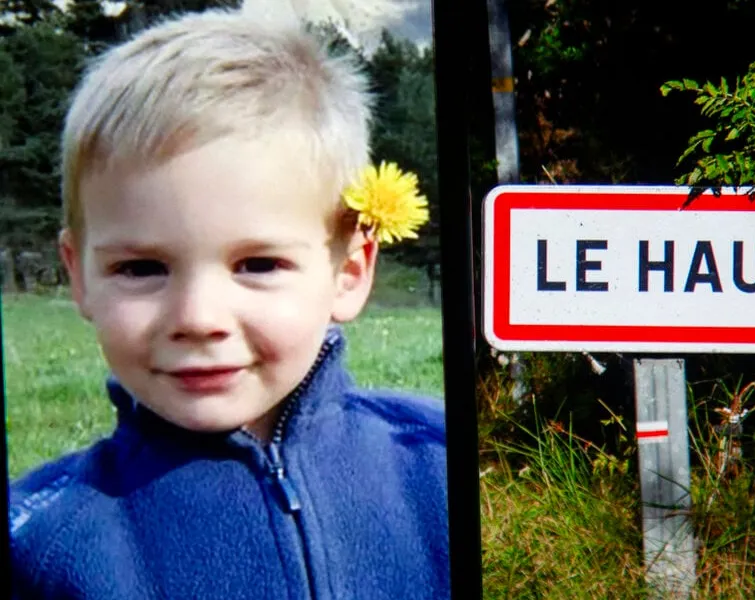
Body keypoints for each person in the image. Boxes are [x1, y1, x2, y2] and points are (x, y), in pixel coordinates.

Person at [7, 6, 448, 599]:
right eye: (141, 268)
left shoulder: (437, 468)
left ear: (348, 270)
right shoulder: (38, 540)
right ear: (80, 276)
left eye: (258, 265)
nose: (197, 318)